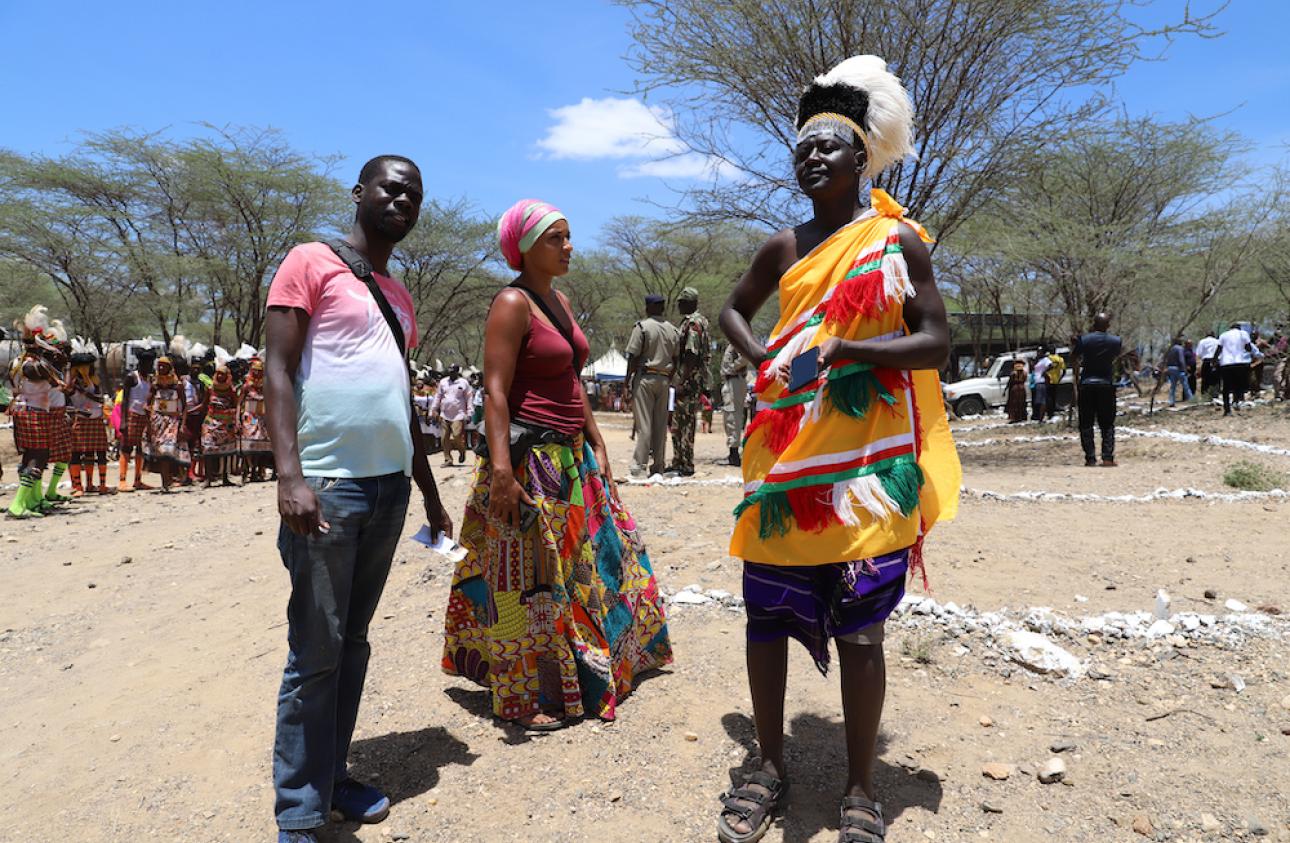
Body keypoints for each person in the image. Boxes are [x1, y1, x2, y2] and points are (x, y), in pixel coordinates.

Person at [716, 56, 960, 843]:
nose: (812, 155)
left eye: (830, 145)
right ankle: (769, 766)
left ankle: (860, 785)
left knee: (862, 630)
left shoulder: (895, 241)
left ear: (863, 159)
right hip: (784, 462)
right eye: (803, 147)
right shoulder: (782, 246)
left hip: (863, 467)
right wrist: (761, 360)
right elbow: (731, 310)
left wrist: (858, 354)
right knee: (765, 619)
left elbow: (936, 341)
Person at [264, 155, 452, 842]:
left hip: (388, 490)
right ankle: (300, 813)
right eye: (391, 187)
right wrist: (291, 475)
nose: (403, 200)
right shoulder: (310, 261)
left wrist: (429, 493)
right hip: (328, 485)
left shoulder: (399, 296)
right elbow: (278, 369)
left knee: (353, 644)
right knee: (316, 649)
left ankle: (333, 775)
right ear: (360, 193)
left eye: (415, 194)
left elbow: (400, 400)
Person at [442, 198, 671, 731]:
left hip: (571, 457)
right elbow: (495, 391)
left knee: (590, 565)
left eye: (568, 236)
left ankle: (592, 669)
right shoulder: (511, 303)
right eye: (555, 238)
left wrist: (596, 438)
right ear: (523, 247)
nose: (568, 246)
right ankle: (530, 694)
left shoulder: (560, 301)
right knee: (530, 581)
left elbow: (570, 377)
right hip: (530, 460)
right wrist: (501, 471)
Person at [6, 306, 61, 518]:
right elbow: (57, 384)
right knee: (38, 455)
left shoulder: (16, 363)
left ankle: (30, 500)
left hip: (22, 411)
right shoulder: (36, 365)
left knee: (30, 455)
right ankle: (18, 505)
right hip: (34, 412)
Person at [625, 293, 680, 477]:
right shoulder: (673, 330)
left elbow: (632, 356)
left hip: (645, 378)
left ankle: (638, 466)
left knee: (644, 425)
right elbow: (677, 358)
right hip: (664, 379)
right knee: (660, 425)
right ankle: (658, 466)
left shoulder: (642, 327)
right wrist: (669, 376)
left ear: (648, 308)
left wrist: (627, 382)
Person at [668, 286, 712, 476]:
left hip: (689, 380)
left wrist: (682, 380)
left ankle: (685, 463)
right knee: (680, 421)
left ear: (689, 303)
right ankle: (679, 461)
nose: (678, 306)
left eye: (681, 303)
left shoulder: (693, 323)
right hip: (692, 379)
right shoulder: (698, 321)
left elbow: (691, 354)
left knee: (685, 422)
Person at [1073, 313, 1122, 467]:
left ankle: (1090, 458)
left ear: (1093, 324)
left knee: (1086, 422)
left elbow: (1074, 357)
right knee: (1107, 423)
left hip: (1087, 383)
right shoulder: (1115, 341)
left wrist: (1076, 379)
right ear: (1108, 325)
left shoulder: (1084, 340)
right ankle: (1107, 457)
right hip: (1106, 384)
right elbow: (1116, 357)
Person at [67, 338, 112, 495]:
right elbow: (67, 396)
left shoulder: (95, 379)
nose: (85, 369)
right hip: (80, 419)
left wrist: (87, 384)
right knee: (77, 452)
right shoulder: (71, 381)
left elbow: (100, 398)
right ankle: (78, 486)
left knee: (99, 452)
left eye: (87, 366)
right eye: (82, 366)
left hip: (96, 418)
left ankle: (99, 484)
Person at [142, 351, 189, 492]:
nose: (161, 369)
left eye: (164, 366)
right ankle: (164, 482)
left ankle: (169, 480)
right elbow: (147, 402)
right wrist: (147, 411)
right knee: (161, 453)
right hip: (157, 421)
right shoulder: (155, 384)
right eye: (159, 366)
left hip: (172, 421)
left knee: (168, 451)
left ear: (170, 368)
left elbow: (185, 406)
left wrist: (183, 424)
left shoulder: (177, 385)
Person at [118, 346, 156, 492]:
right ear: (140, 363)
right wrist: (123, 421)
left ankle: (138, 480)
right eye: (146, 364)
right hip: (132, 414)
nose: (148, 366)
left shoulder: (151, 379)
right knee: (127, 448)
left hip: (145, 416)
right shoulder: (131, 377)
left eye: (150, 364)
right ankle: (122, 480)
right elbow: (125, 400)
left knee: (141, 448)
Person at [200, 352, 240, 487]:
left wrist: (234, 416)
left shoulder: (231, 390)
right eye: (219, 373)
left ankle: (225, 477)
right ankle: (208, 478)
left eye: (223, 374)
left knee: (226, 451)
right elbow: (204, 404)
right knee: (208, 449)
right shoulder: (210, 389)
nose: (221, 376)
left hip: (226, 423)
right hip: (211, 422)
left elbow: (236, 404)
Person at [432, 363, 473, 466]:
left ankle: (462, 451)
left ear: (457, 372)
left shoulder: (463, 383)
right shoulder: (443, 382)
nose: (451, 373)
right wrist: (433, 410)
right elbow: (438, 396)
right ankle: (448, 459)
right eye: (449, 371)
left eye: (453, 371)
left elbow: (469, 398)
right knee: (444, 437)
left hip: (458, 414)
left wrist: (469, 413)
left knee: (456, 436)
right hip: (444, 414)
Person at [239, 357, 273, 481]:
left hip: (263, 417)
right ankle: (248, 469)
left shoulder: (266, 385)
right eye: (255, 370)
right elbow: (239, 403)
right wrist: (238, 418)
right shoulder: (247, 386)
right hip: (250, 417)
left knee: (261, 445)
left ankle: (257, 471)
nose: (257, 373)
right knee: (249, 444)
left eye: (259, 370)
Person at [721, 341, 750, 466]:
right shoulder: (732, 342)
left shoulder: (736, 342)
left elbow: (745, 357)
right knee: (731, 415)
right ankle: (733, 451)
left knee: (732, 416)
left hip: (734, 381)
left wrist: (732, 367)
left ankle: (734, 453)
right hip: (732, 380)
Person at [1217, 321, 1254, 416]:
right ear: (1239, 328)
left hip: (1226, 363)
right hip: (1239, 362)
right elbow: (1248, 348)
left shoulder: (1223, 335)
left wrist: (1214, 360)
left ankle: (1227, 410)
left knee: (1226, 387)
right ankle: (1236, 401)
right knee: (1239, 385)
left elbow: (1219, 349)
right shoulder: (1243, 334)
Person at [1163, 335, 1193, 407]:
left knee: (1173, 386)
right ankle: (1192, 401)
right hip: (1178, 369)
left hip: (1170, 368)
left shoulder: (1170, 349)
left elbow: (1165, 359)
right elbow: (1181, 359)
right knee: (1185, 385)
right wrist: (1184, 369)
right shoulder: (1180, 349)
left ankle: (1171, 401)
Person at [1195, 330, 1220, 397]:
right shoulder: (1217, 341)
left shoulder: (1202, 341)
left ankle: (1205, 395)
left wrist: (1198, 366)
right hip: (1216, 361)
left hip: (1206, 361)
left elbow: (1199, 354)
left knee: (1205, 379)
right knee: (1216, 380)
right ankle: (1215, 395)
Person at [1043, 347, 1066, 418]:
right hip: (1056, 380)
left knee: (1048, 397)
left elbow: (1043, 368)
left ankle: (1050, 412)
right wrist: (1060, 378)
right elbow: (1064, 371)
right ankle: (1053, 410)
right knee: (1054, 396)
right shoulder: (1060, 359)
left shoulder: (1047, 359)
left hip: (1048, 380)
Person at [1031, 347, 1051, 422]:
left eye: (1040, 351)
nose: (1038, 353)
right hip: (1036, 382)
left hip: (1042, 382)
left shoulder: (1045, 360)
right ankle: (1038, 416)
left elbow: (1051, 365)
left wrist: (1045, 372)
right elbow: (1033, 369)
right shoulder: (1037, 360)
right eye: (1037, 351)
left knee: (1042, 401)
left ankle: (1041, 418)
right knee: (1037, 401)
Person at [1005, 359, 1028, 423]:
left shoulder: (1013, 373)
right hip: (1022, 387)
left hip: (1014, 388)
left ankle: (1015, 418)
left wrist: (1006, 389)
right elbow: (1025, 380)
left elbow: (1010, 381)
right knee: (1021, 402)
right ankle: (1021, 417)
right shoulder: (1024, 373)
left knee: (1014, 403)